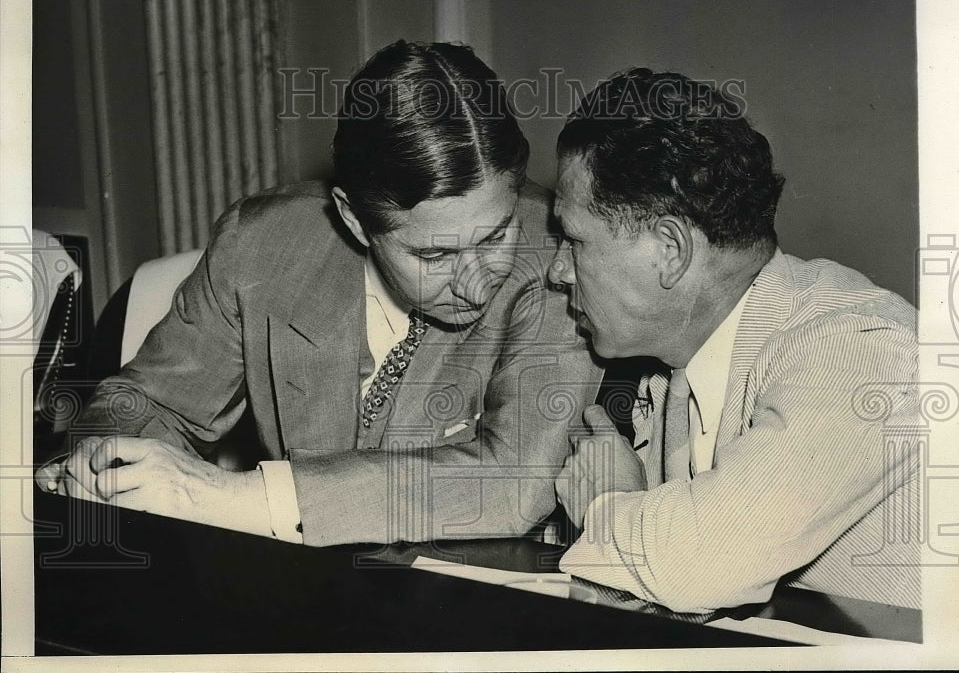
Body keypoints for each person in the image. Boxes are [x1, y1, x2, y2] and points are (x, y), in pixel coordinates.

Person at [41, 41, 602, 546]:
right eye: (435, 255)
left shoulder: (557, 261)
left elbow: (512, 482)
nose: (476, 276)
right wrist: (106, 460)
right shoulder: (261, 244)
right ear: (355, 222)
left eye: (497, 233)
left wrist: (221, 496)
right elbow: (149, 401)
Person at [548, 68, 920, 613]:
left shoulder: (860, 349)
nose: (558, 271)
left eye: (574, 241)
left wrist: (605, 502)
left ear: (669, 250)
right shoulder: (673, 364)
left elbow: (698, 566)